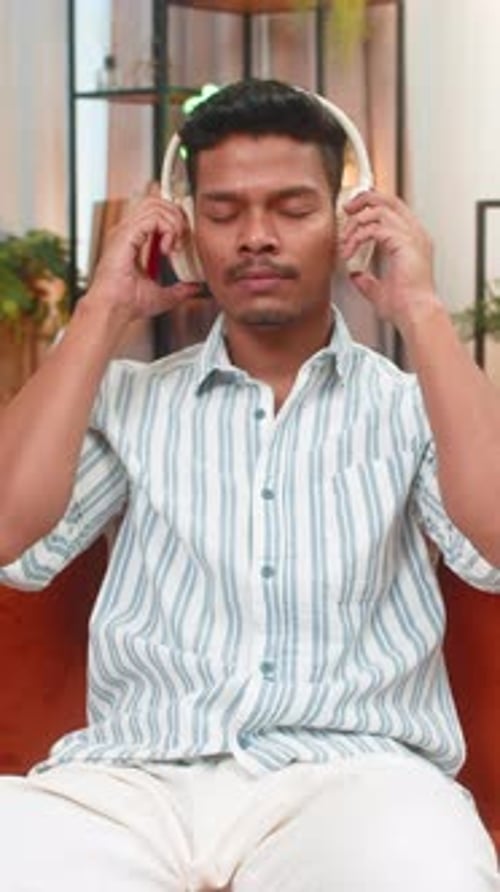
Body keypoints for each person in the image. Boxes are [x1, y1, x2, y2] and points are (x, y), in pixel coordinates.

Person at [0, 78, 499, 892]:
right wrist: (102, 309)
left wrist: (423, 310)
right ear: (187, 231)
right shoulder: (126, 402)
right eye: (224, 213)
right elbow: (6, 534)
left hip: (355, 780)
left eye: (293, 210)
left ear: (348, 221)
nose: (256, 238)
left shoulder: (411, 409)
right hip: (132, 781)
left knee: (432, 872)